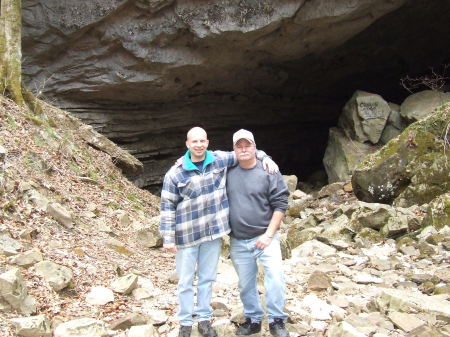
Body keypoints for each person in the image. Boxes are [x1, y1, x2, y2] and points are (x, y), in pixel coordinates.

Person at [160, 127, 278, 337]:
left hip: (213, 235)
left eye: (202, 141)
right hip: (187, 236)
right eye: (194, 141)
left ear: (207, 142)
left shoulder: (218, 160)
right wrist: (168, 238)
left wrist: (265, 156)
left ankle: (204, 320)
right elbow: (167, 207)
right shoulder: (175, 173)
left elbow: (244, 151)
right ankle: (185, 323)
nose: (199, 145)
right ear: (187, 144)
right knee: (185, 282)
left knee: (207, 279)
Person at [227, 129, 290, 337]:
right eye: (239, 146)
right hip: (238, 240)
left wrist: (269, 235)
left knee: (275, 277)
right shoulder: (227, 170)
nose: (244, 149)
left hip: (265, 237)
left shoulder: (269, 171)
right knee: (246, 284)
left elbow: (281, 204)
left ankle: (276, 321)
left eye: (248, 145)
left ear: (255, 147)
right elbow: (203, 157)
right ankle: (253, 319)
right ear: (234, 149)